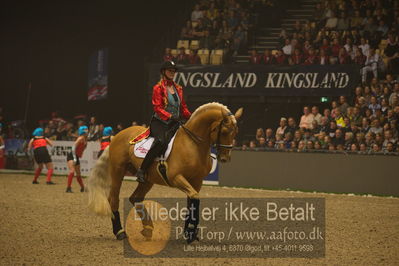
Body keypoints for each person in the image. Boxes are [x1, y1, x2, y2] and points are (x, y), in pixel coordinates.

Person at [135, 61, 191, 183]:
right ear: (163, 72)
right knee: (160, 141)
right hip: (160, 122)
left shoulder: (179, 88)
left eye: (173, 71)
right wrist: (170, 116)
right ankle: (142, 169)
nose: (172, 73)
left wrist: (191, 116)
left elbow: (183, 107)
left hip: (175, 122)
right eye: (170, 70)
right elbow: (157, 108)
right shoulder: (158, 88)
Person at [66, 126, 88, 192]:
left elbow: (82, 149)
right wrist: (75, 157)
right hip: (72, 155)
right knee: (72, 171)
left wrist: (78, 156)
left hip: (76, 156)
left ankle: (82, 187)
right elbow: (73, 147)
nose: (87, 131)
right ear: (83, 132)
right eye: (86, 130)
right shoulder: (81, 138)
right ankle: (68, 188)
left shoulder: (84, 139)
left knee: (78, 173)